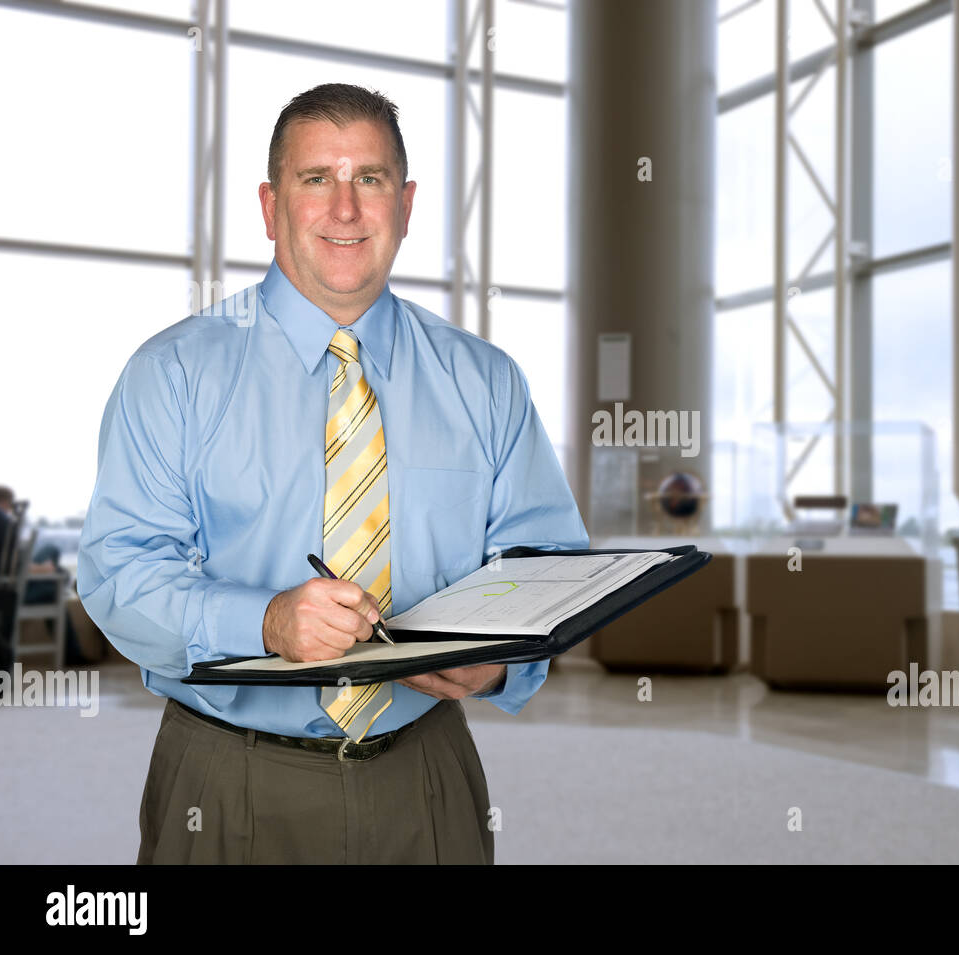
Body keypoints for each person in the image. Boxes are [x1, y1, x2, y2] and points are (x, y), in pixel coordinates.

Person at [77, 83, 588, 864]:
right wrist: (266, 622)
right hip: (227, 778)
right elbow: (118, 579)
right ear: (270, 204)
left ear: (407, 204)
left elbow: (546, 568)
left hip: (429, 776)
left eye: (371, 179)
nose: (345, 209)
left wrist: (501, 662)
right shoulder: (172, 372)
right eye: (317, 178)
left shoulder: (487, 381)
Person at [0, 485, 91, 667]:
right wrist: (42, 570)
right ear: (6, 503)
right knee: (51, 589)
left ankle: (60, 578)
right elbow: (12, 567)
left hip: (13, 583)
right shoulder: (2, 522)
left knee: (50, 551)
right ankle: (62, 580)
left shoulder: (3, 522)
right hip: (12, 590)